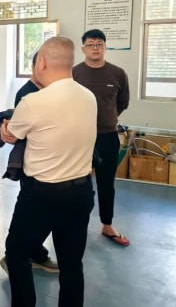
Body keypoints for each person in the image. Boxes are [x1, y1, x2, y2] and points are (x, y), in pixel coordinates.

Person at [0, 37, 96, 307]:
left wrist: (6, 127)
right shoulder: (88, 97)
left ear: (41, 62)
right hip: (81, 192)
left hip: (42, 195)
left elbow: (11, 134)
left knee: (17, 253)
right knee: (71, 264)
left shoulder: (33, 101)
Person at [0, 51, 60, 275]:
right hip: (33, 163)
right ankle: (18, 256)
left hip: (49, 163)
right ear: (37, 66)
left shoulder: (52, 91)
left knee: (41, 214)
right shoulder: (27, 94)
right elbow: (17, 133)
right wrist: (6, 130)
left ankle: (34, 253)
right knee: (31, 215)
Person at [73, 28, 130, 246]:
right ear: (83, 48)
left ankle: (107, 225)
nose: (95, 48)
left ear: (105, 47)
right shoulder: (74, 73)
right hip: (79, 136)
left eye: (99, 44)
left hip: (107, 137)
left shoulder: (118, 73)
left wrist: (107, 118)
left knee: (107, 182)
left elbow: (122, 103)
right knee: (77, 181)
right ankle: (77, 223)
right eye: (90, 44)